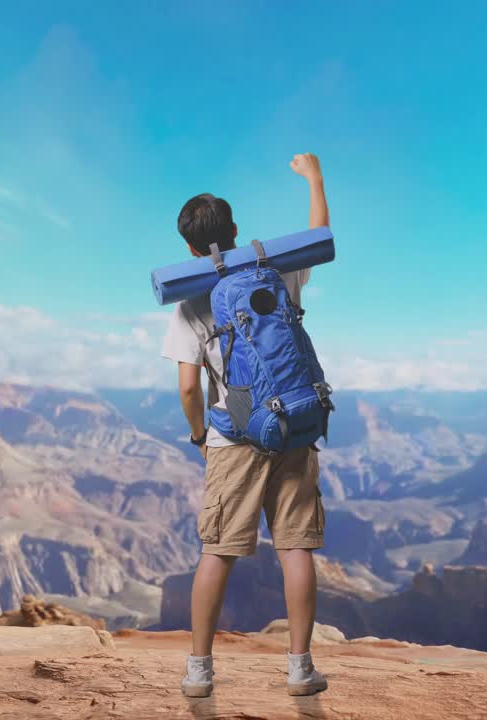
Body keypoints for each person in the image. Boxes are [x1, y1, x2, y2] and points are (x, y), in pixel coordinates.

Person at [160, 153, 330, 698]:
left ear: (189, 248)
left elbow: (189, 388)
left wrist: (197, 436)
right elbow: (318, 234)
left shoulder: (189, 303)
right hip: (293, 423)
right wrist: (314, 178)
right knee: (295, 547)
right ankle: (301, 670)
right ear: (235, 232)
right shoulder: (276, 272)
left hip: (234, 433)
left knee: (218, 551)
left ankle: (199, 671)